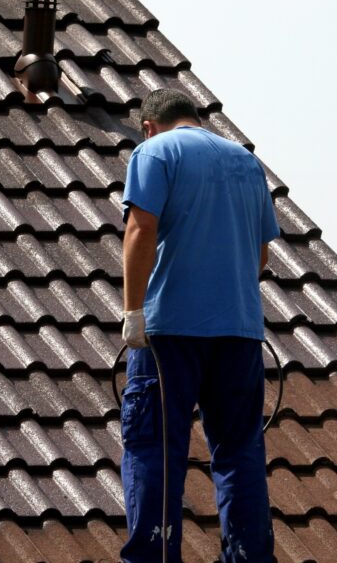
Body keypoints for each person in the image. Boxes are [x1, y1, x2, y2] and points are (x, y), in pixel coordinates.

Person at [120, 88, 280, 562]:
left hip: (169, 333)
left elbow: (140, 228)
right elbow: (262, 255)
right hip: (240, 334)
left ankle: (154, 556)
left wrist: (133, 311)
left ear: (148, 125)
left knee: (156, 448)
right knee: (239, 453)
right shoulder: (247, 163)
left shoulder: (153, 151)